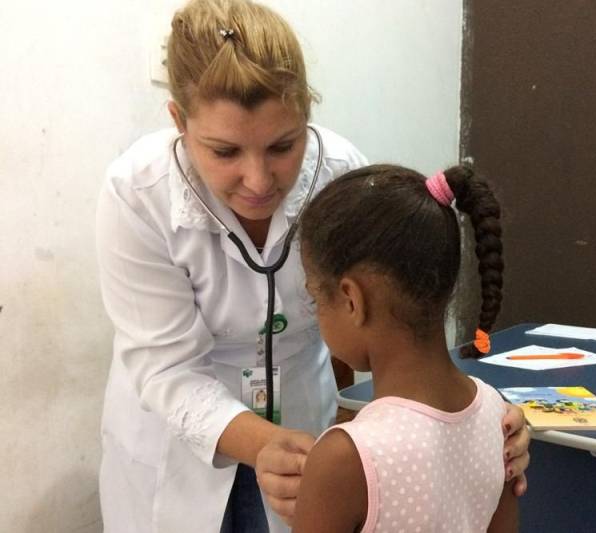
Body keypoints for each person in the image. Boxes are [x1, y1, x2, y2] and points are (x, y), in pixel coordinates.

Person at [95, 0, 530, 532]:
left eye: (283, 145)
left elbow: (402, 314)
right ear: (179, 123)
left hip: (307, 433)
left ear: (306, 110)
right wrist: (263, 444)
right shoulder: (138, 194)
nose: (258, 181)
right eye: (224, 152)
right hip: (174, 448)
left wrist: (482, 426)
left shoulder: (342, 174)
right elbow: (165, 367)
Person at [292, 164, 519, 532]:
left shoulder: (344, 457)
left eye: (315, 297)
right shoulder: (500, 414)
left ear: (352, 300)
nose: (317, 311)